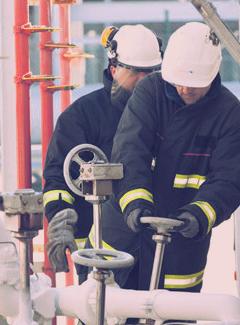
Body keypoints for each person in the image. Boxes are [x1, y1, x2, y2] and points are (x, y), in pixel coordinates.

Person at [100, 22, 240, 293]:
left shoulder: (231, 116)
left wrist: (198, 216)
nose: (185, 89)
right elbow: (130, 151)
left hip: (182, 245)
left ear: (212, 74)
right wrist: (134, 203)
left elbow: (228, 181)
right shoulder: (150, 93)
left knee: (174, 319)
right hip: (123, 236)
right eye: (179, 81)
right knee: (107, 311)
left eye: (195, 84)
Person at [42, 24, 163, 285]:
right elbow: (58, 179)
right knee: (101, 311)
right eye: (135, 72)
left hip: (160, 248)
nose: (144, 80)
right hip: (100, 254)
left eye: (151, 72)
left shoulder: (170, 115)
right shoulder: (82, 117)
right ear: (114, 69)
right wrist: (61, 220)